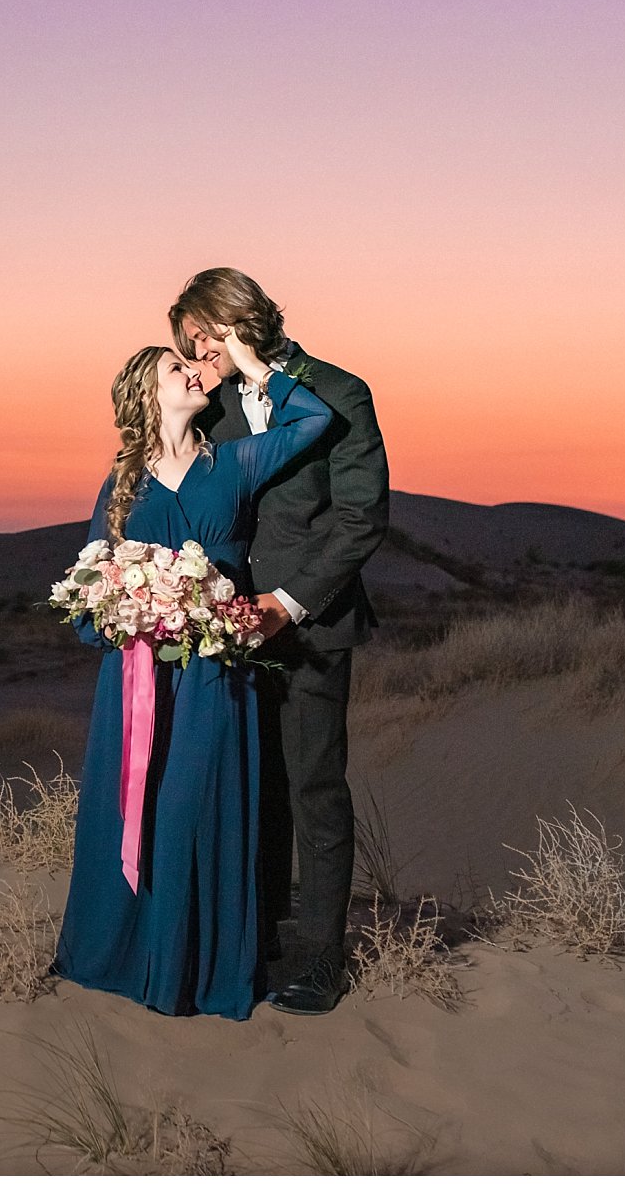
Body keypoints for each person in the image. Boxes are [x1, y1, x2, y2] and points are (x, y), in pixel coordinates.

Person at [50, 333, 333, 1021]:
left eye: (193, 363)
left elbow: (315, 421)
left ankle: (195, 970)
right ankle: (123, 958)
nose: (194, 371)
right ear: (149, 395)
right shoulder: (122, 483)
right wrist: (122, 612)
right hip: (140, 678)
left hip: (213, 675)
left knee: (191, 808)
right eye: (177, 368)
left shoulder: (233, 465)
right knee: (136, 809)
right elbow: (91, 579)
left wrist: (256, 366)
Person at [170, 266, 389, 1016]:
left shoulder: (340, 390)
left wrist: (287, 604)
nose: (198, 353)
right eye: (188, 344)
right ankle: (254, 939)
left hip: (313, 623)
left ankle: (321, 957)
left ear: (236, 318)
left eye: (203, 335)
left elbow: (361, 518)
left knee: (314, 787)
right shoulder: (213, 406)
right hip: (229, 629)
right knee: (252, 786)